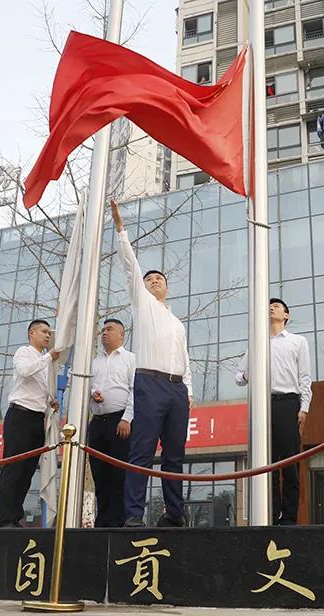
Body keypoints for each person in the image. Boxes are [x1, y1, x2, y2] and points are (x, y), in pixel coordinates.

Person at [111, 200, 193, 528]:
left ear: (167, 287)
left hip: (177, 389)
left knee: (174, 455)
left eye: (159, 278)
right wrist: (121, 231)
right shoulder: (142, 304)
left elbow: (185, 358)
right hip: (149, 384)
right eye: (150, 279)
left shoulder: (177, 322)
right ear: (142, 287)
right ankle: (133, 514)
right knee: (142, 451)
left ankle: (175, 513)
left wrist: (189, 390)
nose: (154, 281)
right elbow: (130, 265)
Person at [235, 298, 313, 525]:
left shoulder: (298, 342)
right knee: (266, 463)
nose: (271, 308)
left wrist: (304, 408)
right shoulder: (257, 343)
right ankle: (269, 515)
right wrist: (247, 375)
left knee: (290, 463)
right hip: (263, 404)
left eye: (277, 306)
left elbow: (305, 378)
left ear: (286, 315)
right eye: (269, 306)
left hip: (289, 404)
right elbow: (239, 377)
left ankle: (288, 519)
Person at [0, 320, 61, 528]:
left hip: (37, 419)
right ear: (31, 333)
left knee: (27, 471)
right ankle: (5, 519)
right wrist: (49, 357)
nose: (47, 336)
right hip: (20, 416)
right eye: (43, 331)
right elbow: (25, 371)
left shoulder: (46, 362)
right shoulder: (23, 352)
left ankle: (15, 516)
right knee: (14, 468)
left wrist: (50, 400)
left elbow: (40, 388)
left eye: (49, 333)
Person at [88, 319, 135, 528]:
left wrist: (127, 418)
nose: (104, 333)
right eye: (103, 330)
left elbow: (135, 390)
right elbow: (85, 386)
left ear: (121, 335)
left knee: (119, 474)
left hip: (120, 421)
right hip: (97, 422)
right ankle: (103, 521)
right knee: (99, 473)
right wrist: (93, 393)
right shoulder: (93, 362)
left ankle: (118, 521)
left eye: (110, 329)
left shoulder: (130, 359)